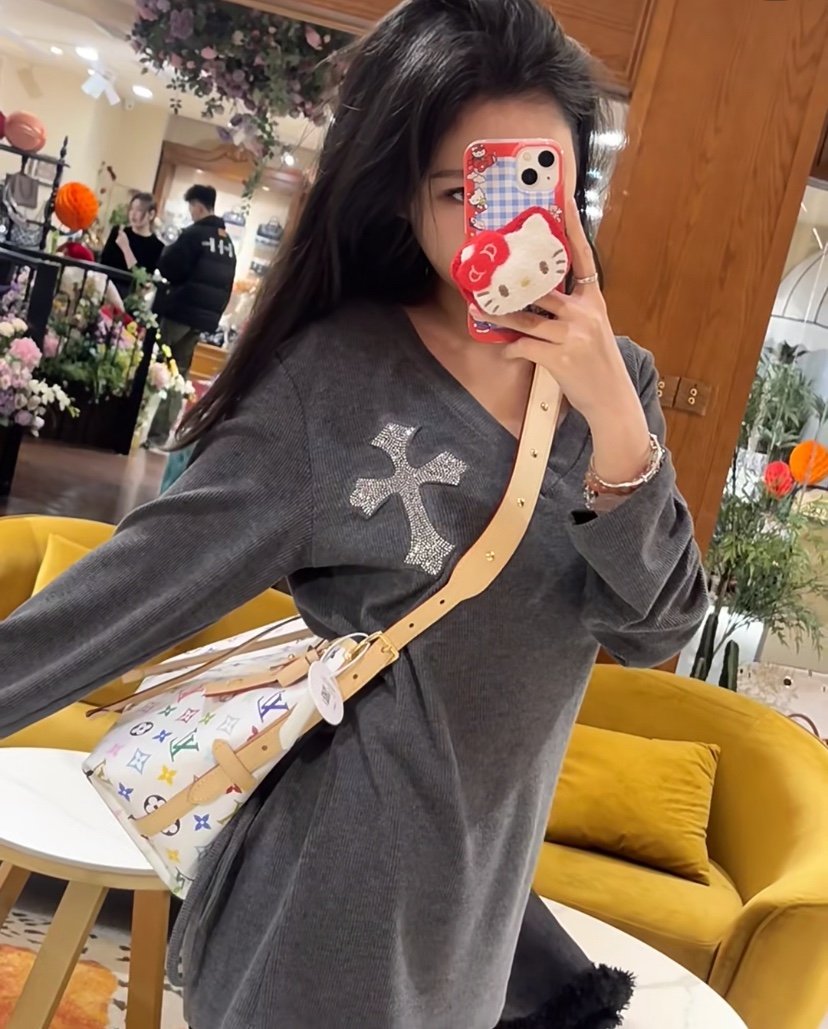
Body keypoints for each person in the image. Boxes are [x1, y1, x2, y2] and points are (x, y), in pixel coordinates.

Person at [0, 2, 709, 1027]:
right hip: (322, 917)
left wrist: (617, 429)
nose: (500, 224)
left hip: (475, 929)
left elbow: (659, 630)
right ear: (404, 202)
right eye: (459, 190)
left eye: (530, 180)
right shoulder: (334, 383)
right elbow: (122, 595)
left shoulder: (618, 386)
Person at [146, 183, 237, 448]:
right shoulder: (227, 243)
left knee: (154, 364)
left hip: (179, 311)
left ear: (197, 206)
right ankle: (158, 435)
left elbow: (169, 267)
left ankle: (136, 423)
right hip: (201, 319)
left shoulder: (195, 235)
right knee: (178, 373)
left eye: (191, 207)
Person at [99, 192, 164, 296]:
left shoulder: (157, 246)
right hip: (105, 289)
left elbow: (142, 280)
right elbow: (103, 263)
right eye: (131, 209)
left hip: (130, 296)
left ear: (151, 214)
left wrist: (125, 248)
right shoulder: (118, 232)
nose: (133, 214)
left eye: (139, 210)